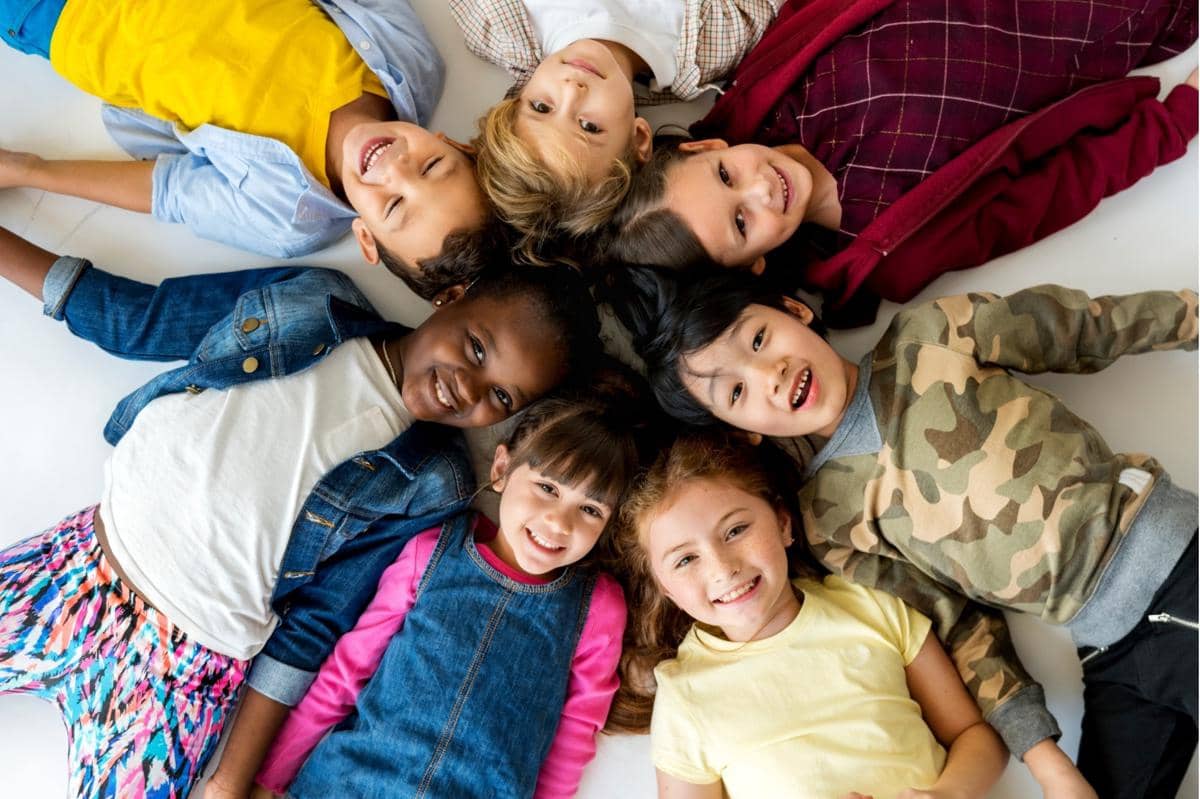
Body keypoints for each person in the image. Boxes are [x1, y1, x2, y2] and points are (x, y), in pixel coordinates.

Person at [0, 225, 601, 799]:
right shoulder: (313, 300)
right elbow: (141, 318)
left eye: (501, 396)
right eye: (476, 347)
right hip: (75, 568)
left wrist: (233, 779)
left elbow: (316, 623)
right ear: (452, 297)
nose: (469, 387)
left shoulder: (432, 481)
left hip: (177, 671)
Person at [619, 266, 1198, 796]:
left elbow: (1087, 328)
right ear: (740, 431)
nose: (768, 376)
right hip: (1107, 645)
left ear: (793, 310)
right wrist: (1051, 766)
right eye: (736, 393)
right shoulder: (830, 521)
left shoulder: (932, 335)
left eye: (758, 340)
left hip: (1175, 567)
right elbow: (961, 627)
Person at [602, 0, 1198, 324]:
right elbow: (1053, 193)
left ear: (708, 149)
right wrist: (1176, 123)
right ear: (754, 265)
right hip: (1124, 17)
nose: (760, 189)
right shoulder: (885, 248)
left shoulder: (772, 86)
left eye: (726, 177)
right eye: (741, 224)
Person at [220, 392, 645, 799]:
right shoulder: (431, 552)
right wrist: (272, 776)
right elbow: (344, 674)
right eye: (547, 488)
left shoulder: (597, 607)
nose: (559, 523)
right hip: (348, 781)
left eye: (590, 510)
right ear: (501, 469)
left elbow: (574, 736)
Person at [0, 0, 491, 297]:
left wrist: (29, 171)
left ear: (366, 238)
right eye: (431, 166)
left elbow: (167, 189)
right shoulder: (414, 64)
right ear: (452, 142)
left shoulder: (287, 219)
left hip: (74, 19)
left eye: (394, 205)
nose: (395, 169)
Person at [611, 429, 1006, 798]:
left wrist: (943, 794)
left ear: (783, 524)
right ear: (665, 588)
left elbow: (975, 736)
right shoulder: (684, 696)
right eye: (685, 559)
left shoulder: (871, 607)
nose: (722, 567)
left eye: (735, 531)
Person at [449, 0, 785, 261]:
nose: (572, 90)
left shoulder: (498, 24)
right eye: (589, 127)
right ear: (639, 138)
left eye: (541, 107)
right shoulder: (717, 40)